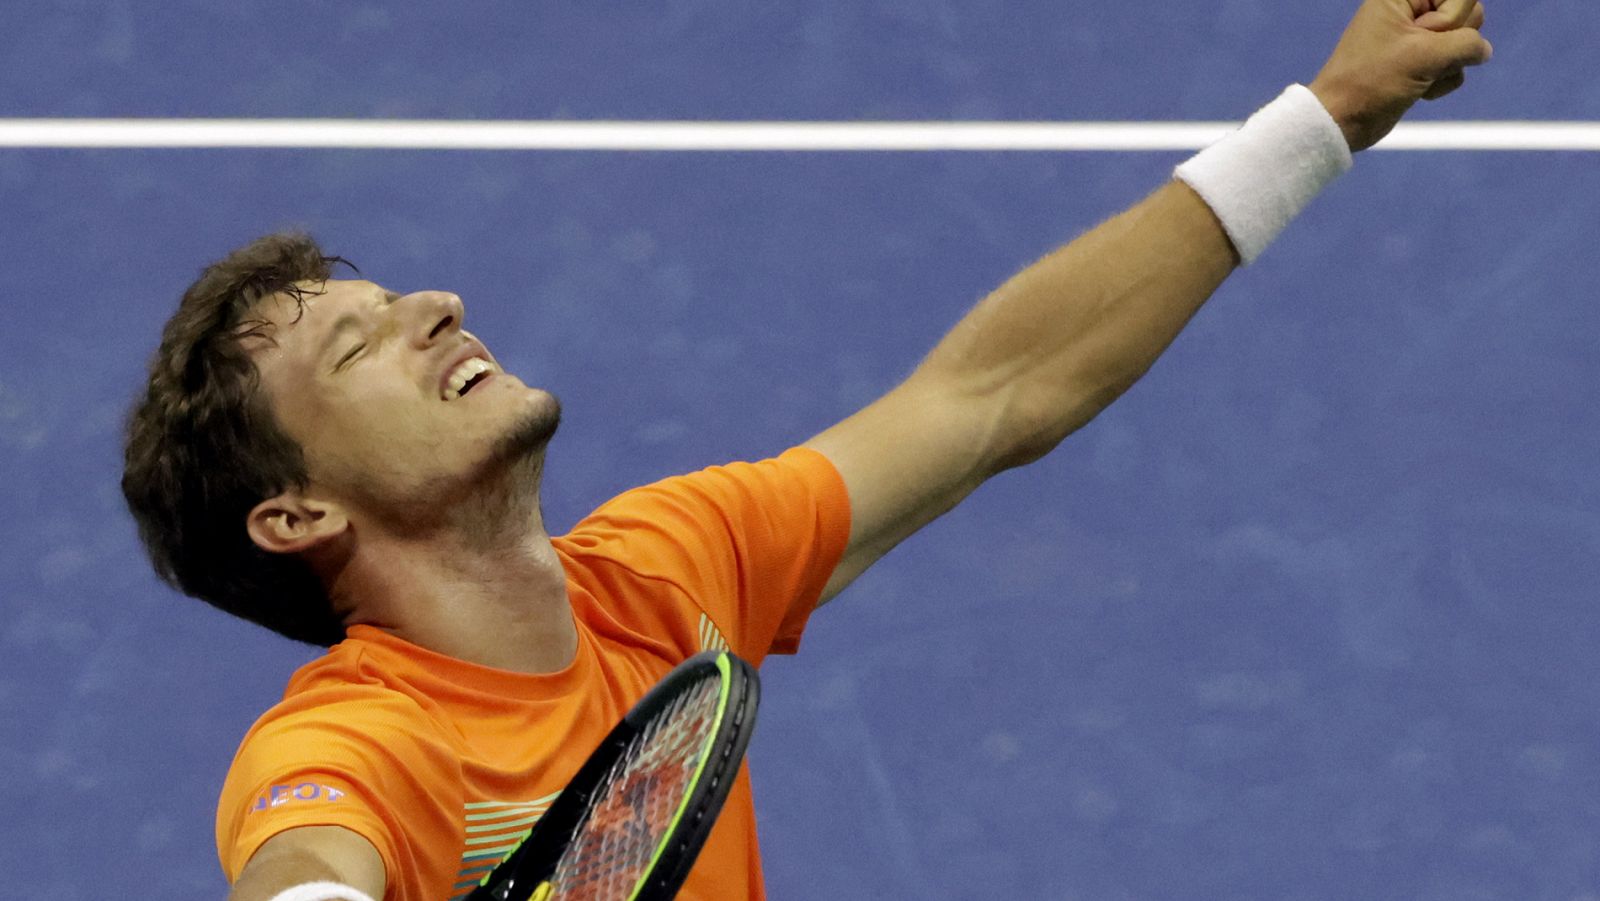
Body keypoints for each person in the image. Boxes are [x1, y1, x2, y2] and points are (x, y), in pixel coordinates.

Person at [120, 2, 1491, 899]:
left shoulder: (661, 575)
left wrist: (1326, 119)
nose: (436, 307)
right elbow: (305, 858)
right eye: (359, 348)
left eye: (395, 298)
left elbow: (997, 392)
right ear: (292, 515)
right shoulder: (357, 742)